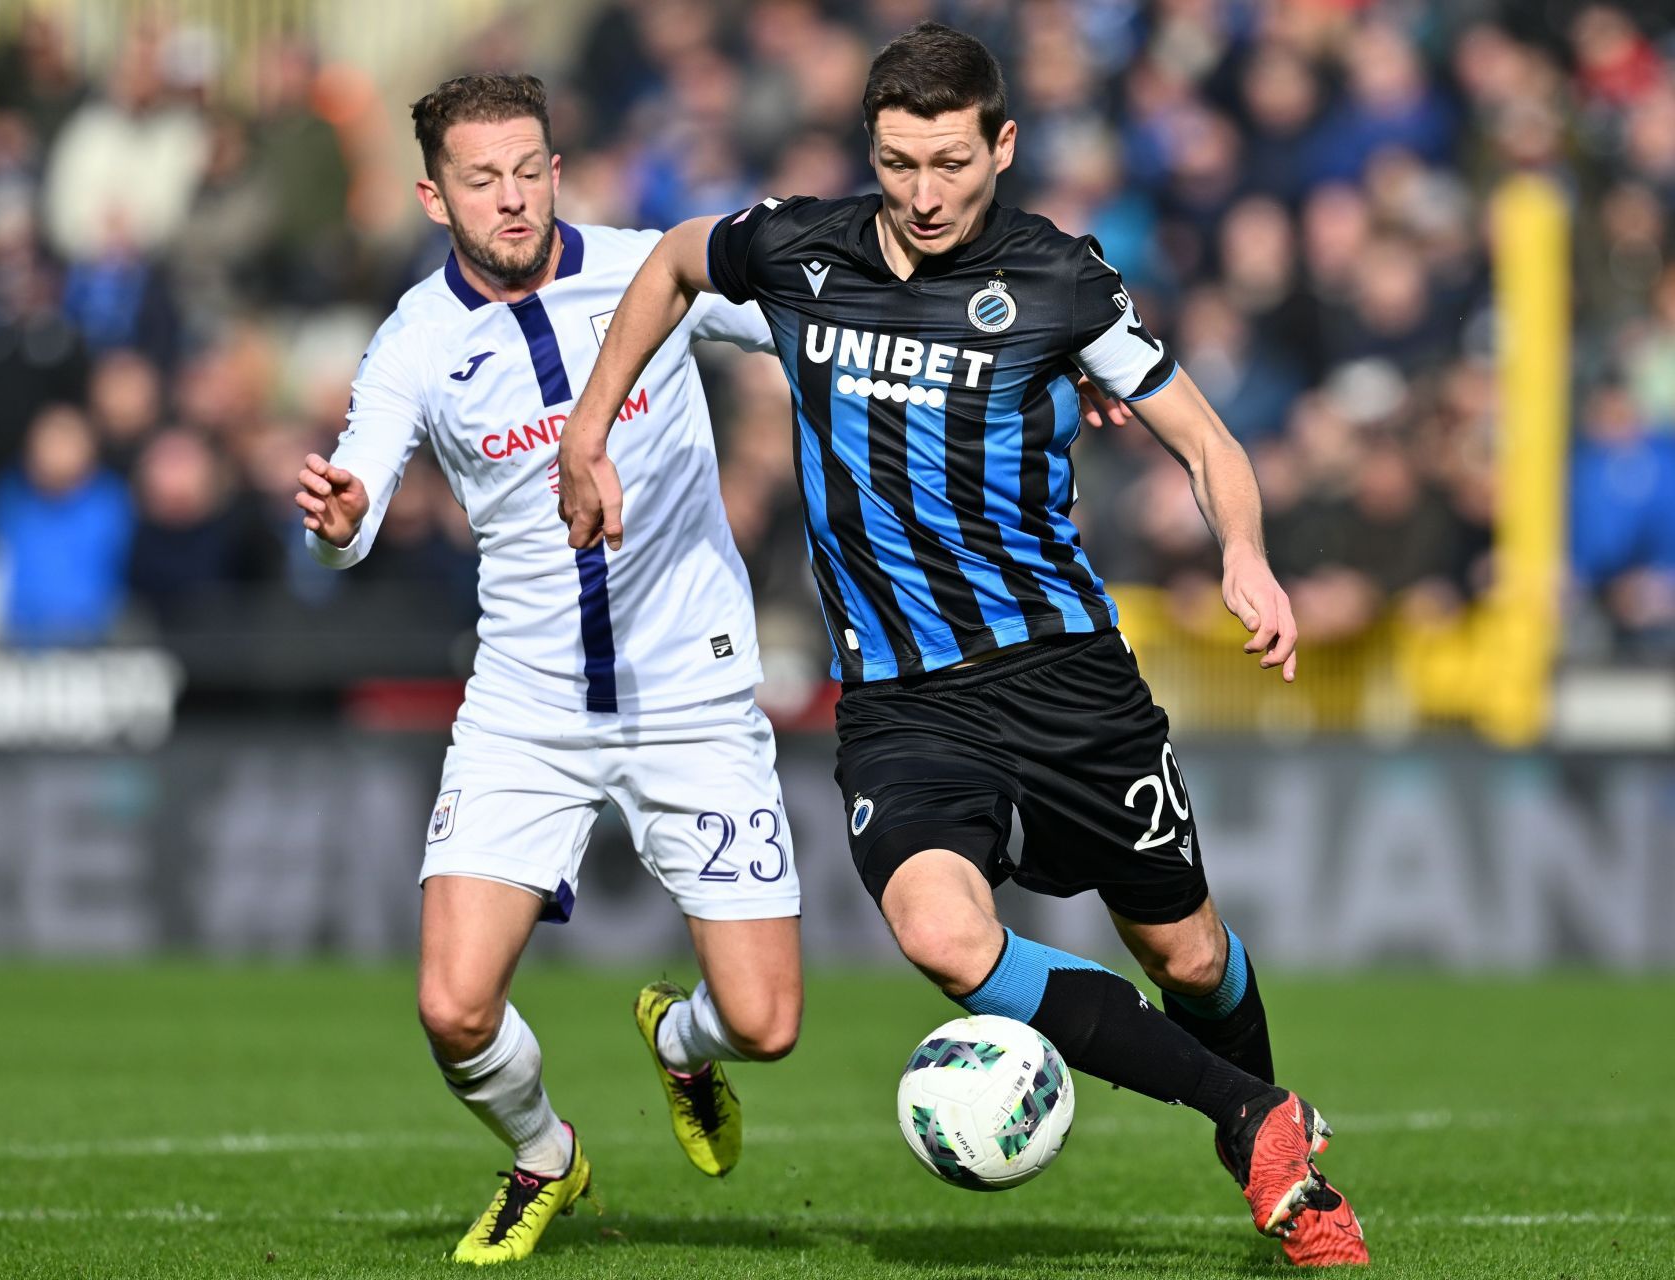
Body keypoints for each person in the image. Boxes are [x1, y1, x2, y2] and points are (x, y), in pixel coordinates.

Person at [557, 22, 1368, 1269]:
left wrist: (1243, 552)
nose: (923, 196)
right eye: (896, 164)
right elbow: (670, 263)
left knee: (1190, 954)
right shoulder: (799, 250)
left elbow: (1208, 443)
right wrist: (590, 430)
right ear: (868, 149)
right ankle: (1259, 1132)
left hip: (1069, 682)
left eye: (949, 163)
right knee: (945, 937)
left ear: (1002, 145)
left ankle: (1265, 1127)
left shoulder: (1062, 282)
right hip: (902, 703)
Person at [295, 74, 803, 1265]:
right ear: (434, 195)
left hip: (694, 698)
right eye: (483, 178)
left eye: (530, 169)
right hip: (527, 707)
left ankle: (681, 1044)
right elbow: (358, 494)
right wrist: (344, 514)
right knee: (452, 1005)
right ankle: (545, 1155)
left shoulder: (654, 267)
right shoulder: (416, 338)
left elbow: (801, 316)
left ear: (557, 169)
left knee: (765, 1023)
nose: (513, 198)